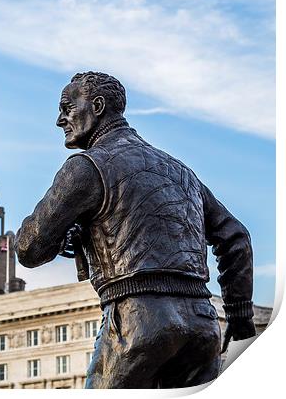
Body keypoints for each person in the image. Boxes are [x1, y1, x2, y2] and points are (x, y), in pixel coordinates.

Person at [15, 71, 256, 388]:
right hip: (202, 327)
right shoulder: (180, 171)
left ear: (97, 106)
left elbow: (29, 249)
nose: (60, 119)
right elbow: (236, 238)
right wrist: (239, 320)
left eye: (66, 107)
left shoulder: (86, 166)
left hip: (137, 322)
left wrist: (60, 234)